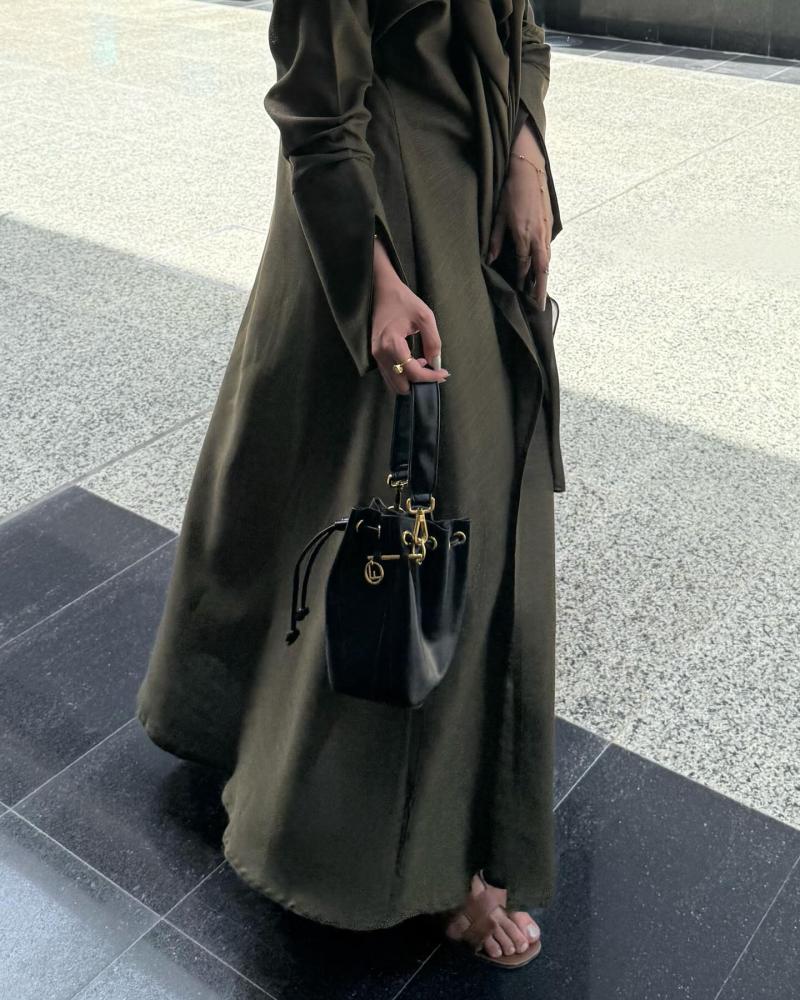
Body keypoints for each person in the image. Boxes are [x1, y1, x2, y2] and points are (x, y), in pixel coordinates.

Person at [136, 0, 564, 970]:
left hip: (471, 187)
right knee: (432, 507)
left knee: (327, 472)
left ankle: (234, 716)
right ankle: (428, 854)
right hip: (382, 211)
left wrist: (525, 152)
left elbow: (524, 31)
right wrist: (369, 277)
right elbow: (317, 103)